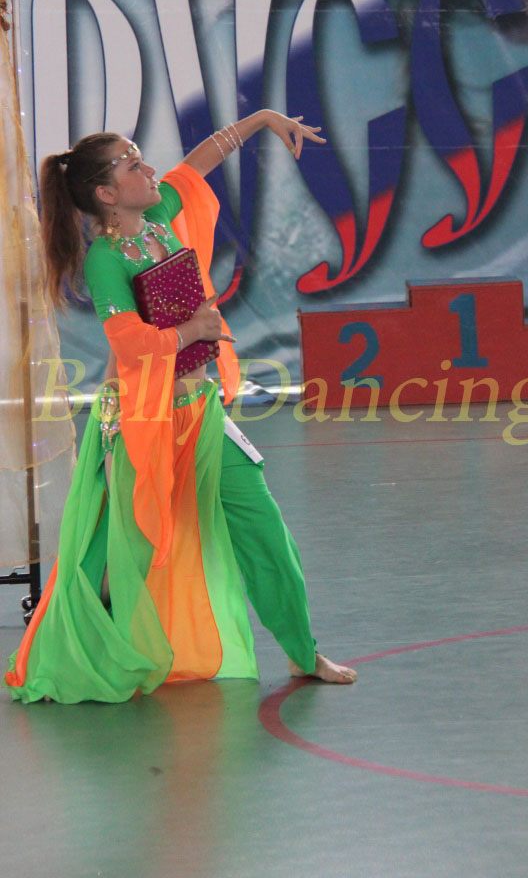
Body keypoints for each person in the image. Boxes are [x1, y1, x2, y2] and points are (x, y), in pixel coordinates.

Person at [4, 110, 357, 703]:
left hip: (201, 413)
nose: (150, 171)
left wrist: (264, 120)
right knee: (122, 547)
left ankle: (303, 652)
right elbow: (128, 343)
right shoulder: (107, 259)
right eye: (133, 165)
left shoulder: (160, 217)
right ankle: (74, 645)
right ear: (107, 194)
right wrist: (193, 330)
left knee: (264, 529)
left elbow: (200, 162)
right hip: (144, 421)